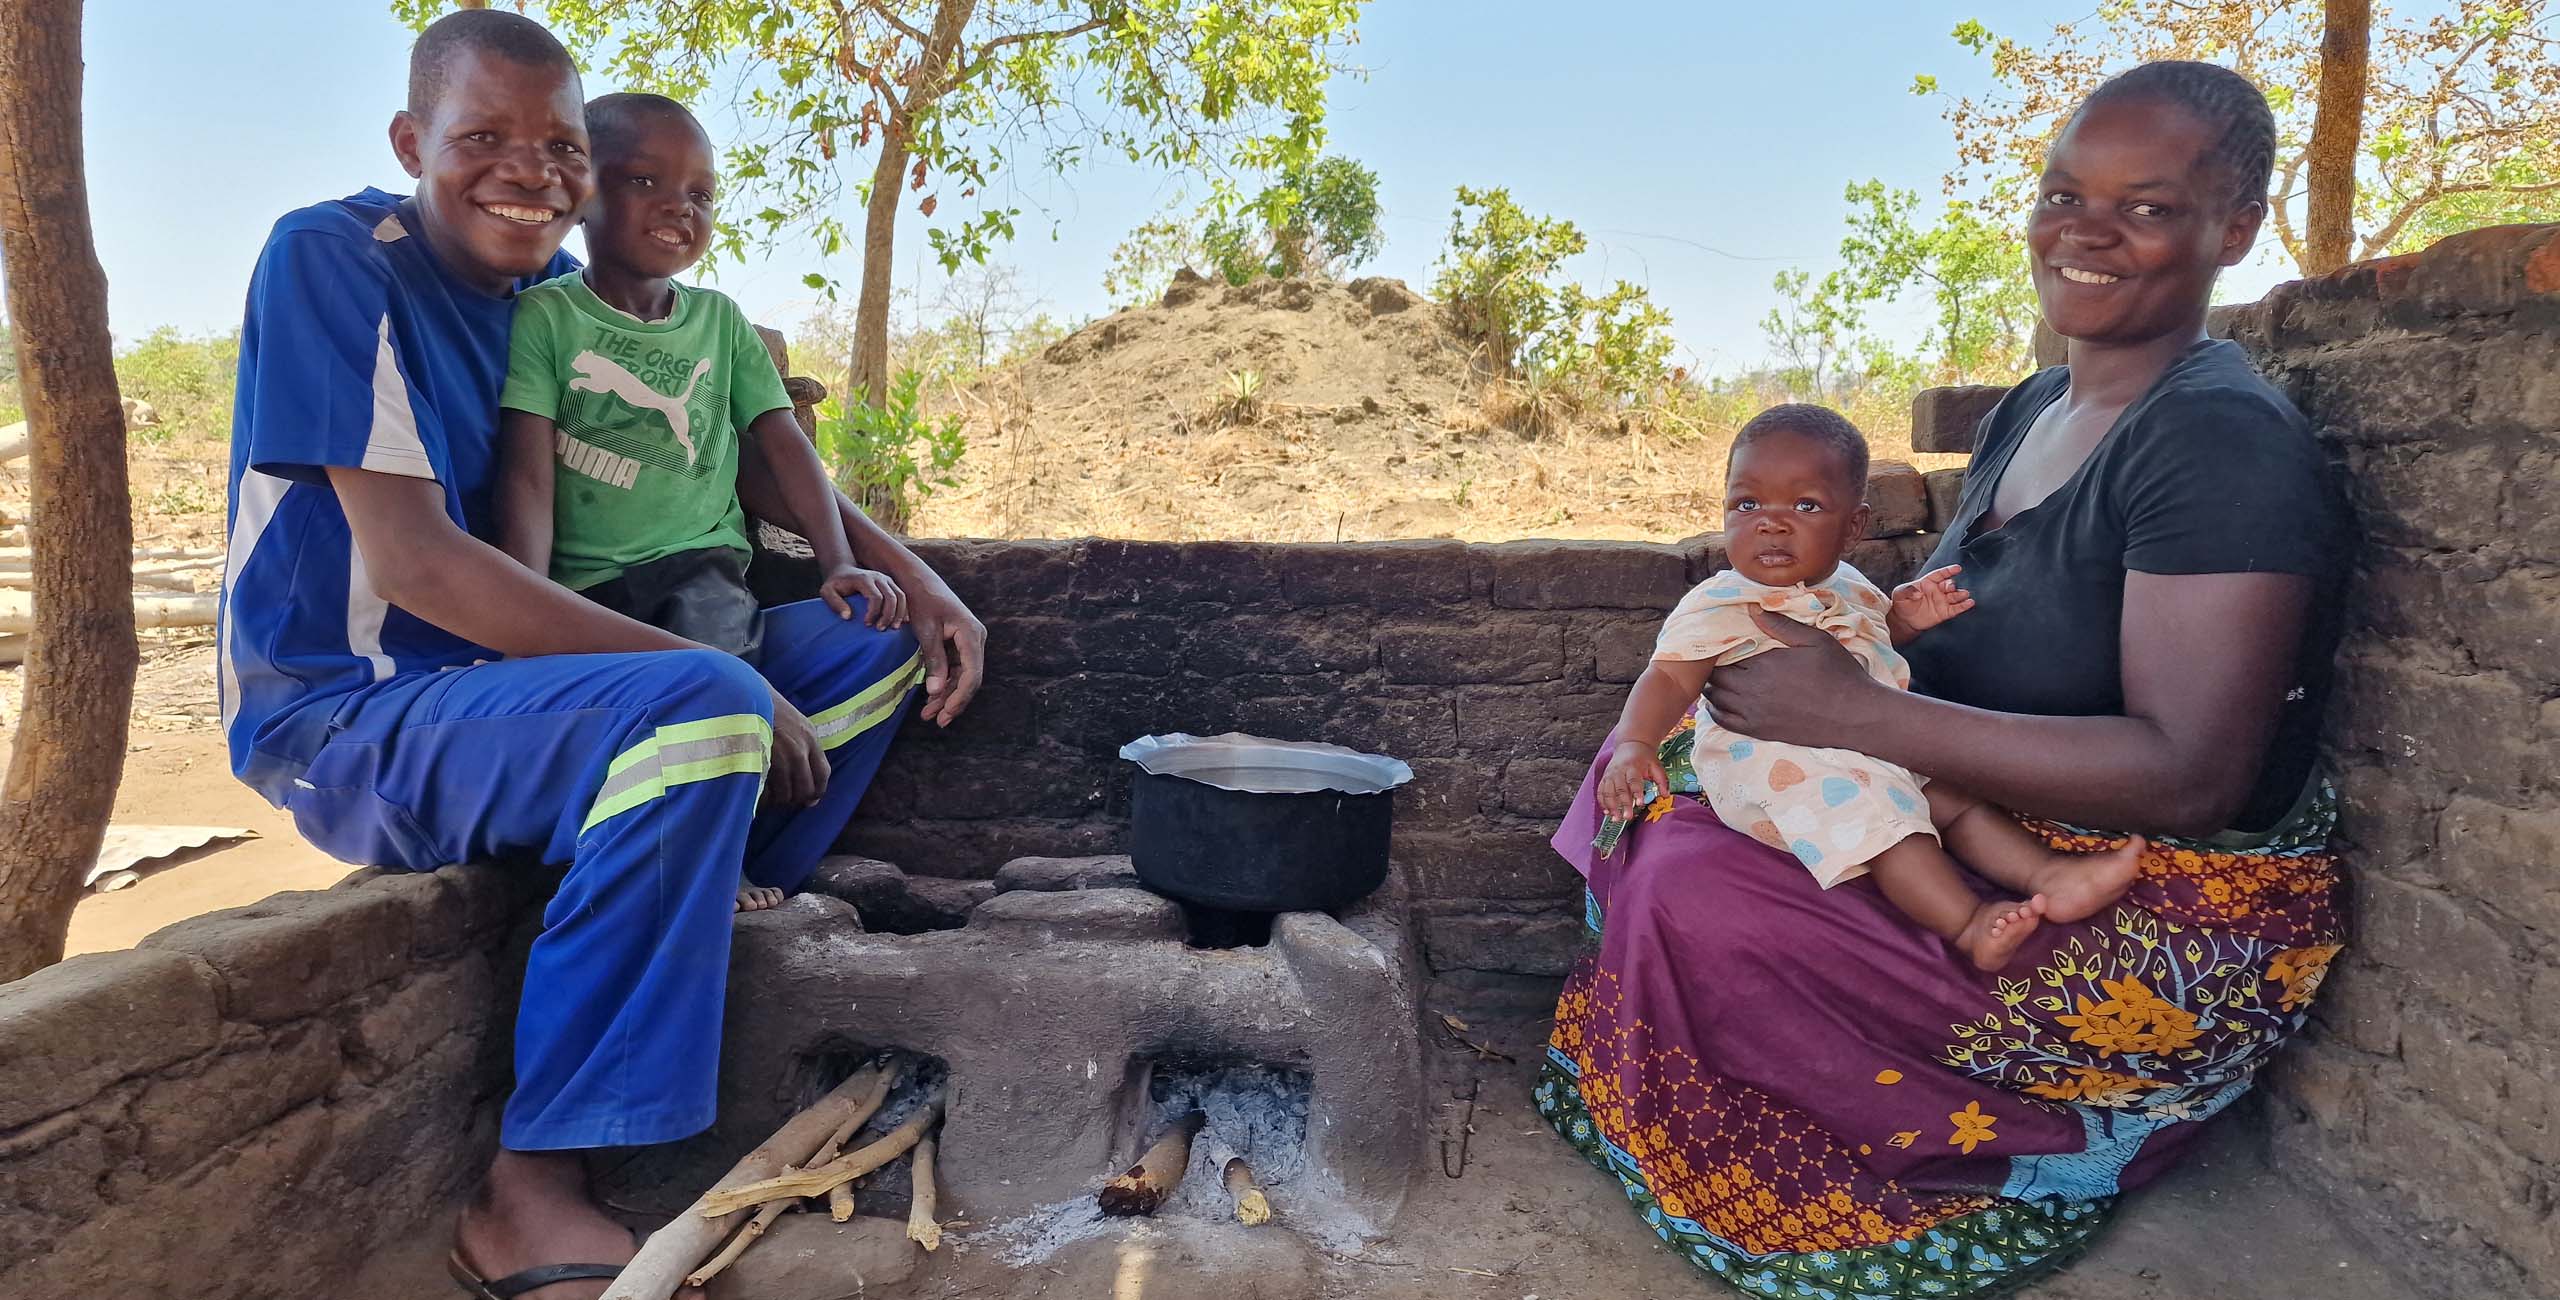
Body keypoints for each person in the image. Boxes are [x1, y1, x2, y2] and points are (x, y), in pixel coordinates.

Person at [1538, 61, 2347, 1300]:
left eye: (2144, 207)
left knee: (1695, 885)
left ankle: (2031, 1143)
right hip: (1959, 790)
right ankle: (1752, 1024)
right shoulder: (2034, 407)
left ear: (2232, 231)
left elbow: (2192, 776)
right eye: (2063, 193)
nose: (2083, 231)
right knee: (1647, 765)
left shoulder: (2219, 445)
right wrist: (1850, 681)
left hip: (2145, 897)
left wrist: (1859, 714)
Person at [216, 13, 984, 1298]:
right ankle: (533, 1181)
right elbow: (418, 568)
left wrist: (920, 579)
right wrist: (723, 684)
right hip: (354, 714)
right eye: (482, 139)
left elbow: (751, 452)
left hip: (521, 702)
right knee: (704, 704)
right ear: (412, 142)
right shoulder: (338, 258)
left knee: (865, 651)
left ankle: (700, 893)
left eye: (561, 147)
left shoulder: (547, 302)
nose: (530, 171)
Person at [495, 91, 907, 913]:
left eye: (701, 193)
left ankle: (746, 858)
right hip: (592, 593)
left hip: (703, 572)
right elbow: (526, 471)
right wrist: (522, 610)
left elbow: (784, 443)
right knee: (709, 698)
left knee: (857, 636)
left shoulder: (720, 323)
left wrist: (838, 562)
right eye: (646, 180)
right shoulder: (546, 317)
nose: (679, 206)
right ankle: (703, 863)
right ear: (585, 196)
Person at [1591, 404, 2144, 972]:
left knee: (1955, 798)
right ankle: (1967, 924)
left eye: (1805, 505)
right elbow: (1668, 675)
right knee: (1889, 819)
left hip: (1861, 743)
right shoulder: (1720, 603)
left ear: (1854, 526)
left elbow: (1868, 649)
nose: (1771, 523)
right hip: (1779, 765)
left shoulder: (1848, 584)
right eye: (1747, 503)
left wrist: (1904, 620)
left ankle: (2047, 874)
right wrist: (1636, 743)